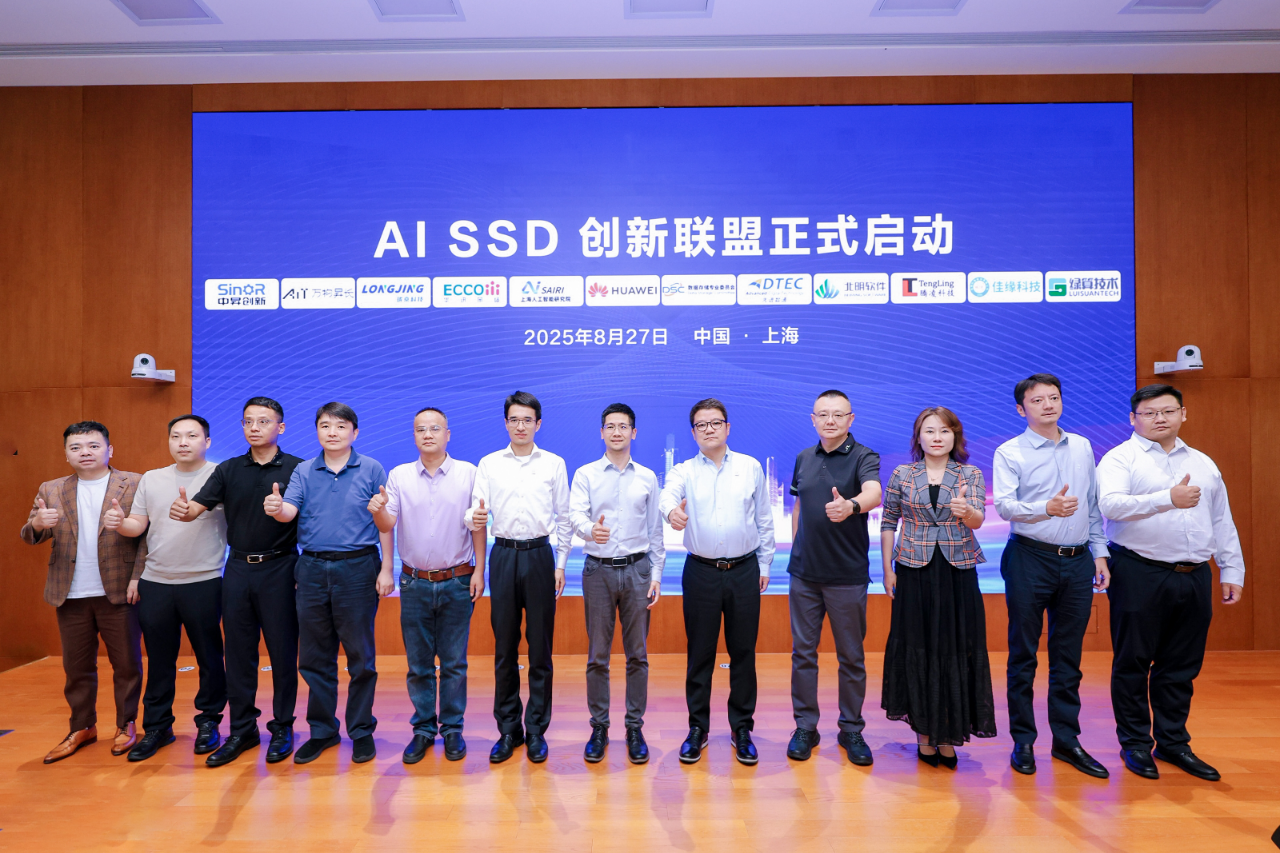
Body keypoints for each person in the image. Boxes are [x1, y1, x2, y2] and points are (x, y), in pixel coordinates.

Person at [1097, 384, 1245, 782]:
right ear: (1133, 418)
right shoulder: (1120, 458)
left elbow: (1221, 519)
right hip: (1139, 570)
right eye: (1149, 412)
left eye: (1167, 410)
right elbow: (1110, 505)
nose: (1159, 418)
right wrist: (1167, 498)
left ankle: (1173, 743)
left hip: (1194, 574)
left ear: (1183, 414)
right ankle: (1134, 743)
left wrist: (1232, 569)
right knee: (1133, 662)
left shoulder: (1203, 462)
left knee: (1181, 664)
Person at [992, 374, 1111, 779]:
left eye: (1054, 398)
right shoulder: (1010, 451)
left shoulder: (1082, 446)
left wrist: (1099, 552)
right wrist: (1047, 508)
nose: (1048, 405)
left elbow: (1091, 505)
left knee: (1068, 656)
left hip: (1077, 561)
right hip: (1030, 557)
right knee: (1023, 654)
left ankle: (1066, 740)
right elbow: (1005, 506)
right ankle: (1023, 740)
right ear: (1020, 409)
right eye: (1037, 400)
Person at [174, 396, 302, 767]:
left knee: (282, 653)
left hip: (281, 567)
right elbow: (196, 507)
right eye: (248, 421)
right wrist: (184, 510)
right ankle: (243, 729)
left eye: (264, 421)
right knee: (239, 654)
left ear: (280, 427)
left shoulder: (298, 468)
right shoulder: (228, 469)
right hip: (239, 569)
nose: (254, 427)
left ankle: (282, 727)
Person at [268, 402, 393, 765]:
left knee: (360, 657)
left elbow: (385, 524)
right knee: (314, 656)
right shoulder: (305, 470)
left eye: (340, 426)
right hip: (311, 568)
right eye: (325, 425)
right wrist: (277, 508)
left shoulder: (371, 468)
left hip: (358, 567)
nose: (333, 432)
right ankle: (322, 730)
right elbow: (289, 511)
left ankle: (361, 730)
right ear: (317, 431)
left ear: (355, 432)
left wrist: (387, 568)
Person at [105, 415, 229, 762]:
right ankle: (158, 727)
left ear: (207, 441)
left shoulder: (221, 476)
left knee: (209, 657)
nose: (183, 442)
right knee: (159, 660)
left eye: (192, 436)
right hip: (156, 582)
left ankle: (209, 722)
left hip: (204, 581)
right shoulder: (153, 479)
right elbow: (138, 525)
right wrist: (120, 523)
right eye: (176, 436)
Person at [660, 397, 775, 766]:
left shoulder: (750, 467)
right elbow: (667, 496)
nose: (708, 429)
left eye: (715, 423)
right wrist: (672, 512)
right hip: (701, 572)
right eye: (701, 424)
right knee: (700, 654)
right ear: (693, 432)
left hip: (744, 570)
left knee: (743, 653)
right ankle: (698, 728)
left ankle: (742, 729)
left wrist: (765, 564)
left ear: (727, 427)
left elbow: (764, 519)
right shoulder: (684, 471)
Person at [880, 406, 996, 769]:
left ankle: (948, 734)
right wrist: (887, 570)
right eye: (929, 431)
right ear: (918, 437)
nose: (937, 437)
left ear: (955, 436)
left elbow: (978, 520)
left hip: (957, 571)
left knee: (954, 647)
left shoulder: (970, 474)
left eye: (944, 431)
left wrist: (966, 511)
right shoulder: (902, 473)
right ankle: (924, 735)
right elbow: (888, 521)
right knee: (919, 647)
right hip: (912, 569)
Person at [21, 421, 144, 763]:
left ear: (109, 450)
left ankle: (125, 724)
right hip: (70, 591)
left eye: (93, 445)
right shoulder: (52, 488)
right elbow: (30, 533)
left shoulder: (134, 483)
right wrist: (38, 524)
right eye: (76, 447)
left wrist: (138, 578)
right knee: (76, 667)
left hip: (118, 589)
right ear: (66, 454)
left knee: (127, 665)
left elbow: (148, 538)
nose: (85, 452)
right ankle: (82, 727)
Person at [369, 406, 484, 765]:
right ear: (414, 436)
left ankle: (452, 729)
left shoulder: (469, 473)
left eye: (435, 428)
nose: (428, 434)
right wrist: (378, 510)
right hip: (414, 582)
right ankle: (422, 729)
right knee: (418, 664)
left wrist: (480, 571)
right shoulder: (400, 476)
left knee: (454, 663)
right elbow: (387, 524)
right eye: (421, 429)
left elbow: (478, 524)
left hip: (457, 579)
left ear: (448, 434)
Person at [466, 390, 572, 764]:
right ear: (506, 423)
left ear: (538, 424)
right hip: (504, 556)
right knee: (505, 648)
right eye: (514, 419)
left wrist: (561, 564)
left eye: (527, 420)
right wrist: (474, 518)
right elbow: (473, 512)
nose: (521, 426)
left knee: (540, 649)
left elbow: (564, 517)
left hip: (541, 556)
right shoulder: (490, 463)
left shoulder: (554, 464)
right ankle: (509, 730)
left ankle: (537, 730)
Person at [785, 390, 882, 767]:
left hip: (847, 575)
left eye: (838, 415)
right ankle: (805, 727)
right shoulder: (803, 457)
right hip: (804, 575)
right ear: (813, 419)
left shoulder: (864, 456)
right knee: (803, 654)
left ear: (850, 419)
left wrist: (851, 506)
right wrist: (796, 547)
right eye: (823, 414)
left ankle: (851, 728)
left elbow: (874, 492)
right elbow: (798, 505)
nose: (830, 420)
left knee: (851, 657)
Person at [569, 402, 665, 765]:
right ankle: (599, 727)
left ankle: (634, 727)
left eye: (623, 426)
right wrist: (588, 530)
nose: (616, 432)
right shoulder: (586, 474)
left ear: (634, 433)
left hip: (639, 570)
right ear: (601, 432)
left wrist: (656, 575)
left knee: (637, 655)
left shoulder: (647, 477)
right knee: (598, 656)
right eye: (610, 426)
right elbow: (575, 515)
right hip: (598, 570)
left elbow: (655, 531)